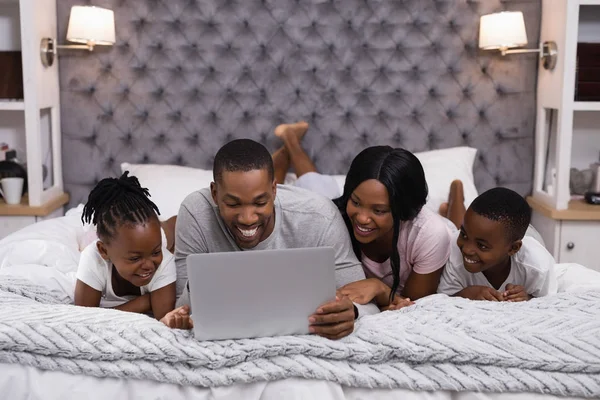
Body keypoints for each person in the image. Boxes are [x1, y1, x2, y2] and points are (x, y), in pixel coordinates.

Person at [173, 138, 378, 340]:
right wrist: (198, 285)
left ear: (274, 189)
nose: (247, 218)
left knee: (316, 184)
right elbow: (178, 309)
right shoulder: (195, 214)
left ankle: (291, 143)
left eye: (260, 202)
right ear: (215, 193)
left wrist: (353, 311)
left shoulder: (321, 217)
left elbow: (369, 305)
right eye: (234, 204)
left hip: (309, 203)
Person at [272, 122, 452, 310]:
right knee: (311, 187)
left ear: (402, 210)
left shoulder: (430, 235)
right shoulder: (331, 216)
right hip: (329, 202)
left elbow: (413, 305)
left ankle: (289, 145)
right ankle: (290, 145)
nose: (362, 218)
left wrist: (380, 289)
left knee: (315, 185)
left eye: (378, 210)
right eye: (356, 202)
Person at [74, 172, 188, 325]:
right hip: (139, 239)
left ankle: (166, 225)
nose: (149, 265)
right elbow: (84, 319)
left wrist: (156, 252)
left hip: (155, 236)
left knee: (173, 229)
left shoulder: (164, 260)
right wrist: (145, 302)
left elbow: (163, 318)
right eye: (135, 258)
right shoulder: (93, 257)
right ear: (104, 251)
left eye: (156, 252)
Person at [437, 182, 557, 301]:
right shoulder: (454, 249)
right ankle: (456, 194)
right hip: (497, 235)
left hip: (527, 235)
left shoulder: (538, 266)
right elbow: (442, 300)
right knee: (458, 228)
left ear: (513, 249)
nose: (466, 250)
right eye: (463, 235)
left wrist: (528, 298)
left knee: (471, 231)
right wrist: (466, 294)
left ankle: (449, 209)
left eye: (482, 246)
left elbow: (548, 305)